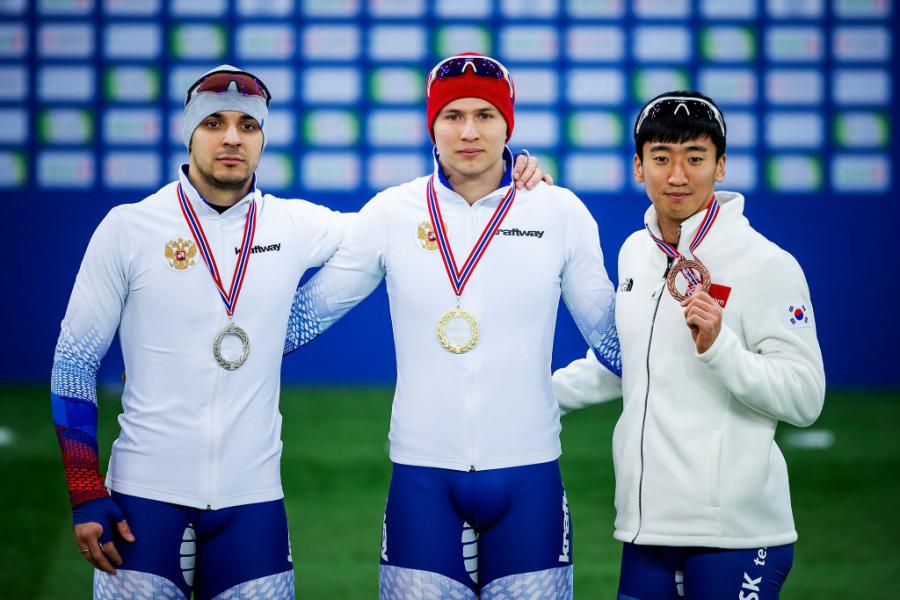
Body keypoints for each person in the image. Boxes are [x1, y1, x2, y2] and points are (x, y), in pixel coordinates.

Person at [49, 62, 549, 599]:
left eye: (248, 126)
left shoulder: (295, 225)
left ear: (263, 139)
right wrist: (84, 488)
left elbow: (418, 222)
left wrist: (512, 185)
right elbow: (74, 363)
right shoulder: (128, 228)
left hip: (253, 501)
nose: (231, 139)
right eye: (214, 123)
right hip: (141, 496)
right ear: (188, 133)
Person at [283, 53, 620, 599]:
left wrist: (696, 331)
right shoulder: (392, 213)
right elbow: (301, 320)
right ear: (431, 126)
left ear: (508, 125)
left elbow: (614, 343)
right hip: (423, 480)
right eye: (453, 115)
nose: (469, 131)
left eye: (486, 116)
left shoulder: (559, 213)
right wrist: (191, 357)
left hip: (528, 476)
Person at [551, 91, 826, 599]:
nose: (677, 175)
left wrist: (721, 347)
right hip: (646, 531)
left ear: (721, 166)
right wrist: (534, 399)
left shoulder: (768, 264)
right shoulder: (636, 252)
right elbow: (624, 362)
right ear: (639, 167)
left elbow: (806, 397)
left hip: (737, 537)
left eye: (695, 158)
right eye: (661, 158)